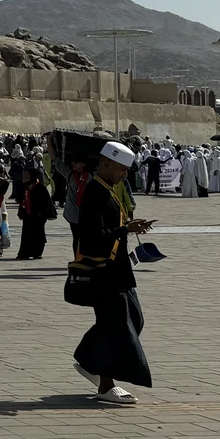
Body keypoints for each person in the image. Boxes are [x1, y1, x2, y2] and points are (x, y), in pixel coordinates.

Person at [67, 141, 153, 405]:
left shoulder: (108, 189)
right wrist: (125, 230)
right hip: (104, 272)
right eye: (121, 169)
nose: (124, 175)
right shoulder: (95, 192)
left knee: (133, 320)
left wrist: (128, 226)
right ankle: (106, 384)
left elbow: (109, 228)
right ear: (106, 164)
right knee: (115, 326)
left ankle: (89, 360)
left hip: (119, 270)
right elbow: (93, 237)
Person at [18, 165, 57, 260]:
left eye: (27, 175)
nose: (25, 177)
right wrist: (21, 212)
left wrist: (41, 214)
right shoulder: (26, 187)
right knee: (26, 235)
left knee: (38, 235)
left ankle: (37, 253)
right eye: (24, 175)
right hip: (28, 216)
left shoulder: (40, 187)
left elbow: (46, 203)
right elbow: (22, 201)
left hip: (38, 217)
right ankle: (25, 253)